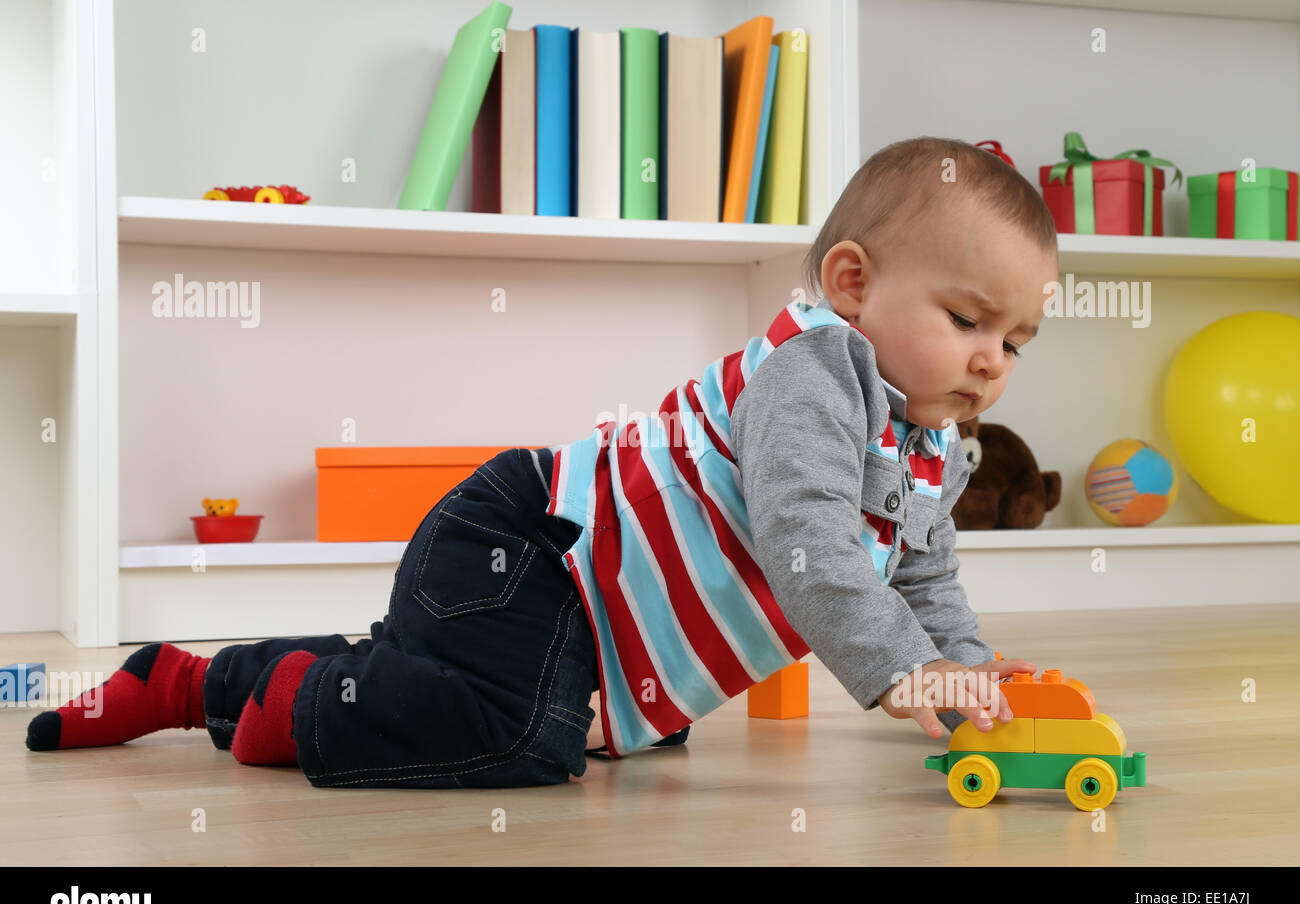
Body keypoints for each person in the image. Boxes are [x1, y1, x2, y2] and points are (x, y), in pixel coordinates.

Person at [28, 135, 1056, 787]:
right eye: (967, 319)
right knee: (523, 737)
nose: (988, 360)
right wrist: (901, 671)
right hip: (529, 549)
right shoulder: (814, 372)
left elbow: (919, 575)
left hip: (570, 611)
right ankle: (292, 700)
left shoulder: (928, 445)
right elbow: (808, 544)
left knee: (572, 724)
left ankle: (197, 679)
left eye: (1014, 340)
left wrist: (966, 677)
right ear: (849, 281)